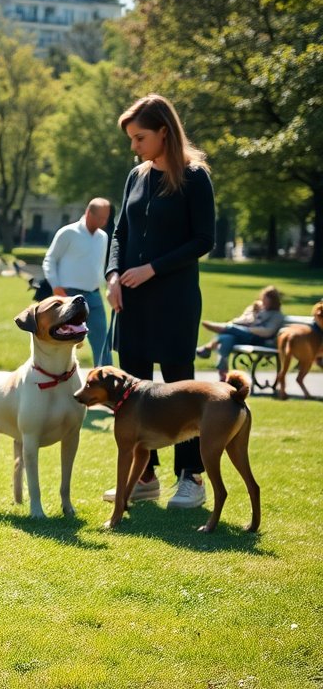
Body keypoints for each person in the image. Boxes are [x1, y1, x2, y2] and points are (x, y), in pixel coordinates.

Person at [104, 93, 216, 509]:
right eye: (132, 139)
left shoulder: (195, 177)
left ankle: (192, 476)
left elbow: (204, 240)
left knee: (178, 388)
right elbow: (119, 234)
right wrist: (113, 275)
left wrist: (152, 268)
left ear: (164, 132)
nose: (134, 147)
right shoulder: (136, 176)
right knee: (131, 390)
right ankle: (143, 476)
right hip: (130, 303)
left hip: (175, 302)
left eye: (140, 138)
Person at [43, 198, 113, 368]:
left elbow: (99, 266)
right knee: (64, 341)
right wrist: (56, 286)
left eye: (106, 218)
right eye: (100, 218)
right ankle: (57, 376)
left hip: (94, 295)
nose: (103, 222)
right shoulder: (68, 233)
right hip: (69, 295)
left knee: (102, 342)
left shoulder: (103, 237)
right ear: (89, 213)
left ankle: (105, 382)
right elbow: (50, 260)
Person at [197, 285, 286, 381]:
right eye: (263, 299)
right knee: (226, 338)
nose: (263, 302)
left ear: (273, 301)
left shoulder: (277, 315)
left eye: (266, 300)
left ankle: (217, 336)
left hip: (257, 339)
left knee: (230, 330)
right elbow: (243, 320)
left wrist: (250, 329)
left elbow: (268, 332)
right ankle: (223, 375)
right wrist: (253, 314)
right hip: (243, 335)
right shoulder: (257, 308)